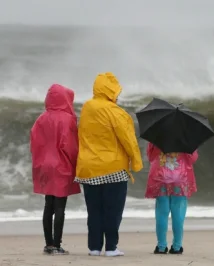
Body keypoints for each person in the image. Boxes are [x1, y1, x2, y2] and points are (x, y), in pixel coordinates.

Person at [75, 72, 143, 257]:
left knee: (94, 210)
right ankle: (111, 247)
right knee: (112, 210)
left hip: (88, 168)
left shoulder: (87, 107)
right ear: (111, 91)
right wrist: (136, 163)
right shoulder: (116, 112)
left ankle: (94, 248)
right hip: (113, 168)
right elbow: (128, 140)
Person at [30, 84, 81, 255]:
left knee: (48, 205)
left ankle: (48, 244)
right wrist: (76, 164)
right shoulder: (68, 119)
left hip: (44, 165)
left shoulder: (41, 118)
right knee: (60, 206)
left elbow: (34, 143)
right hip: (61, 165)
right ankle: (57, 245)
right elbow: (71, 147)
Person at [145, 143, 198, 255]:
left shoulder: (156, 136)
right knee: (178, 214)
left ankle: (161, 246)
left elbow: (150, 156)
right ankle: (177, 247)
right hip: (180, 178)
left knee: (161, 213)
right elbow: (193, 158)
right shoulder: (185, 138)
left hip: (160, 177)